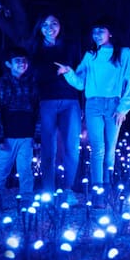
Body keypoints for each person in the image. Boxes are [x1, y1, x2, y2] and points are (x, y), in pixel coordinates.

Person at [56, 17, 130, 206]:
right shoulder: (90, 55)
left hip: (114, 104)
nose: (97, 35)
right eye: (94, 32)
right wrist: (68, 72)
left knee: (110, 150)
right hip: (93, 104)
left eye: (101, 30)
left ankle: (108, 190)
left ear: (110, 32)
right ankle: (98, 194)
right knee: (97, 150)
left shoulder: (124, 53)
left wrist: (123, 108)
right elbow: (80, 82)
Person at [30, 13, 82, 197]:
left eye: (54, 23)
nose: (49, 27)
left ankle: (68, 189)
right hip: (47, 101)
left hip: (70, 100)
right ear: (39, 28)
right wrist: (57, 72)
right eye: (45, 24)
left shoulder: (71, 47)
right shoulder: (35, 48)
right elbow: (35, 75)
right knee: (48, 147)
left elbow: (79, 74)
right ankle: (48, 190)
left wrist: (67, 72)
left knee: (71, 146)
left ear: (60, 25)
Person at [0, 45, 37, 198]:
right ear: (9, 63)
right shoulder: (1, 84)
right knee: (2, 167)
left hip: (27, 136)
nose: (22, 63)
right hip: (8, 137)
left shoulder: (31, 84)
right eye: (17, 61)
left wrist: (37, 135)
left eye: (24, 61)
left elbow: (37, 110)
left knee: (25, 169)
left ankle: (26, 199)